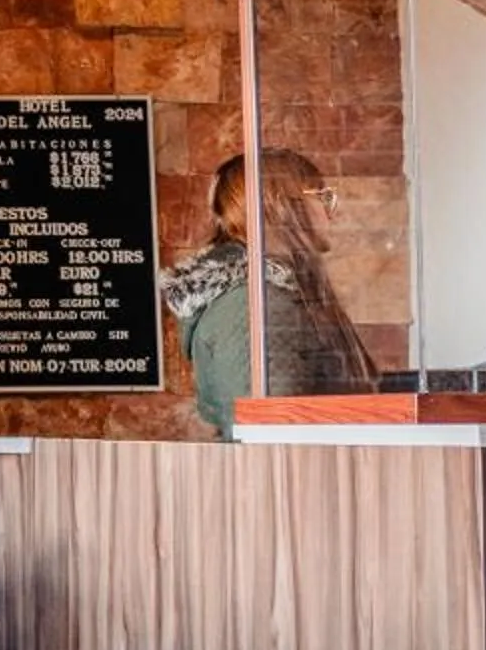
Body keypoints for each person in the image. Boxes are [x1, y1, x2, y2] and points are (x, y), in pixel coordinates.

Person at [162, 150, 377, 437]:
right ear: (281, 205)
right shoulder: (257, 306)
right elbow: (272, 438)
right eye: (322, 196)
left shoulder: (269, 296)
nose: (332, 210)